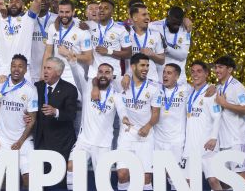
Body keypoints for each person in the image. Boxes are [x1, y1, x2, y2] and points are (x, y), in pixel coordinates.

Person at [66, 56, 130, 190]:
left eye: (107, 72)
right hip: (84, 141)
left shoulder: (116, 95)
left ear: (112, 76)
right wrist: (72, 62)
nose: (103, 75)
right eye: (100, 72)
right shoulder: (87, 88)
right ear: (97, 74)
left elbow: (122, 109)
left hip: (103, 145)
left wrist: (124, 117)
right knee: (72, 166)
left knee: (103, 186)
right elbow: (77, 74)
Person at [0, 54, 38, 189]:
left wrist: (20, 141)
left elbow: (32, 119)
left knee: (29, 178)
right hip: (4, 141)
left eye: (20, 66)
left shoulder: (31, 90)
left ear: (25, 70)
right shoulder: (0, 85)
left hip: (23, 141)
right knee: (3, 180)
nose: (16, 69)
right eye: (14, 66)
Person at [116, 53, 162, 191]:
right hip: (126, 135)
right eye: (142, 65)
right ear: (133, 67)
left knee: (145, 178)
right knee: (122, 174)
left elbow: (156, 114)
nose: (146, 68)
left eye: (147, 65)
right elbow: (99, 79)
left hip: (145, 137)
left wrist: (148, 126)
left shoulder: (154, 88)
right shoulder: (121, 83)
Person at [34, 57, 78, 189]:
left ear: (59, 72)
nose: (45, 71)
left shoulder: (69, 89)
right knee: (40, 181)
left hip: (61, 142)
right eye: (44, 68)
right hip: (41, 140)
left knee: (58, 183)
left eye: (49, 68)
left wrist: (56, 112)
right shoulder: (37, 87)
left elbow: (71, 115)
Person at [182, 61, 222, 190]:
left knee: (213, 180)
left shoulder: (211, 93)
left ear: (206, 73)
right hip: (192, 146)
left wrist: (214, 138)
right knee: (189, 183)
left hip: (207, 145)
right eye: (193, 71)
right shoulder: (189, 93)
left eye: (199, 71)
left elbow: (217, 116)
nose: (195, 74)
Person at [213, 55, 245, 188]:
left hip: (236, 139)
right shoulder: (218, 87)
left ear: (230, 70)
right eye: (216, 67)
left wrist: (225, 104)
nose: (217, 70)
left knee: (241, 176)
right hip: (223, 140)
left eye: (220, 67)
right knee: (225, 179)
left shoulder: (237, 86)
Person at [42, 0, 92, 88]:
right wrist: (43, 74)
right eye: (61, 12)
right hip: (55, 76)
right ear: (58, 12)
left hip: (74, 78)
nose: (64, 15)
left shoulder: (82, 31)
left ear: (73, 12)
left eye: (67, 12)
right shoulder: (53, 27)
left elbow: (89, 59)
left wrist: (69, 54)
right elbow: (48, 53)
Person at [153, 63, 189, 189]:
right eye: (164, 72)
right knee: (159, 178)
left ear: (177, 76)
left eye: (169, 73)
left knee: (176, 178)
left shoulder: (185, 90)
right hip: (158, 141)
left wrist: (212, 87)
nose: (165, 75)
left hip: (176, 141)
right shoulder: (155, 89)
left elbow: (203, 88)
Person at [88, 0, 132, 87]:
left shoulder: (120, 29)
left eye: (106, 8)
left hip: (113, 75)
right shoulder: (89, 26)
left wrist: (109, 51)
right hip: (94, 74)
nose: (101, 10)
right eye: (100, 8)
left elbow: (128, 54)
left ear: (112, 12)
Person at [149, 6, 191, 84]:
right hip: (159, 79)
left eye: (178, 24)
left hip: (179, 81)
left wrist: (166, 48)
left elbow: (183, 55)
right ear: (168, 17)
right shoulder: (154, 26)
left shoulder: (185, 28)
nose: (176, 26)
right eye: (174, 23)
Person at [127, 3, 165, 82]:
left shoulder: (156, 34)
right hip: (130, 80)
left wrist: (152, 54)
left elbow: (162, 60)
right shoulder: (125, 33)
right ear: (135, 17)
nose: (148, 17)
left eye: (148, 14)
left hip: (151, 81)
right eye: (144, 15)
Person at [30, 0, 58, 83]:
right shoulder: (27, 18)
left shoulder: (57, 19)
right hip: (30, 70)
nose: (43, 1)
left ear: (52, 3)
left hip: (50, 71)